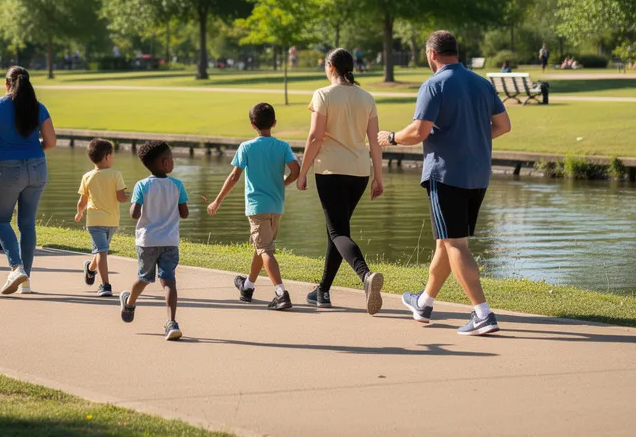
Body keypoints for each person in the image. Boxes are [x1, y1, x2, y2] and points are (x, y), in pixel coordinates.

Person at [379, 30, 512, 336]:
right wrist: (471, 137)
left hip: (446, 174)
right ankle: (424, 302)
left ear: (432, 55)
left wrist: (390, 137)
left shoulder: (433, 85)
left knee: (455, 243)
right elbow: (503, 125)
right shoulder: (481, 83)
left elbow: (418, 132)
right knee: (445, 240)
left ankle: (483, 313)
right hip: (478, 175)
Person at [297, 48, 387, 314]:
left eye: (325, 64)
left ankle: (366, 276)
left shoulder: (323, 94)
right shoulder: (367, 97)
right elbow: (375, 142)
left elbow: (315, 137)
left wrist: (302, 171)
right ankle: (322, 290)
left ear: (332, 66)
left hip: (331, 171)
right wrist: (378, 177)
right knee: (336, 230)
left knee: (337, 232)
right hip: (359, 172)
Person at [207, 103, 300, 311]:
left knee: (265, 249)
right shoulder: (283, 146)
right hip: (276, 206)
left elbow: (234, 176)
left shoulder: (246, 147)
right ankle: (247, 287)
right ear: (274, 123)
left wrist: (218, 200)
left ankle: (281, 293)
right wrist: (283, 183)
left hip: (257, 207)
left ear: (252, 125)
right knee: (261, 247)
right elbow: (295, 170)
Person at [0, 66, 56, 294]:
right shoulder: (38, 108)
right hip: (37, 168)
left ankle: (16, 267)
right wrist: (34, 149)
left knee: (1, 220)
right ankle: (26, 281)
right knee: (27, 224)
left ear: (6, 84)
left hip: (7, 170)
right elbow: (51, 142)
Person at [120, 140, 189, 341]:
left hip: (147, 241)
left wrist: (139, 204)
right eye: (172, 159)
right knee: (169, 281)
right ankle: (171, 323)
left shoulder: (141, 185)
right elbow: (184, 213)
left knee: (143, 277)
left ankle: (130, 302)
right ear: (166, 163)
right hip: (170, 242)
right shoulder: (177, 185)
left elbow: (134, 213)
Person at [74, 138, 128, 298]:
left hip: (104, 221)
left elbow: (82, 201)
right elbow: (121, 198)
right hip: (102, 221)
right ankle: (105, 285)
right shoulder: (116, 175)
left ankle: (90, 269)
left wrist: (79, 212)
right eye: (113, 155)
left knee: (101, 251)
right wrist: (129, 196)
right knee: (103, 251)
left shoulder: (87, 176)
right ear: (107, 156)